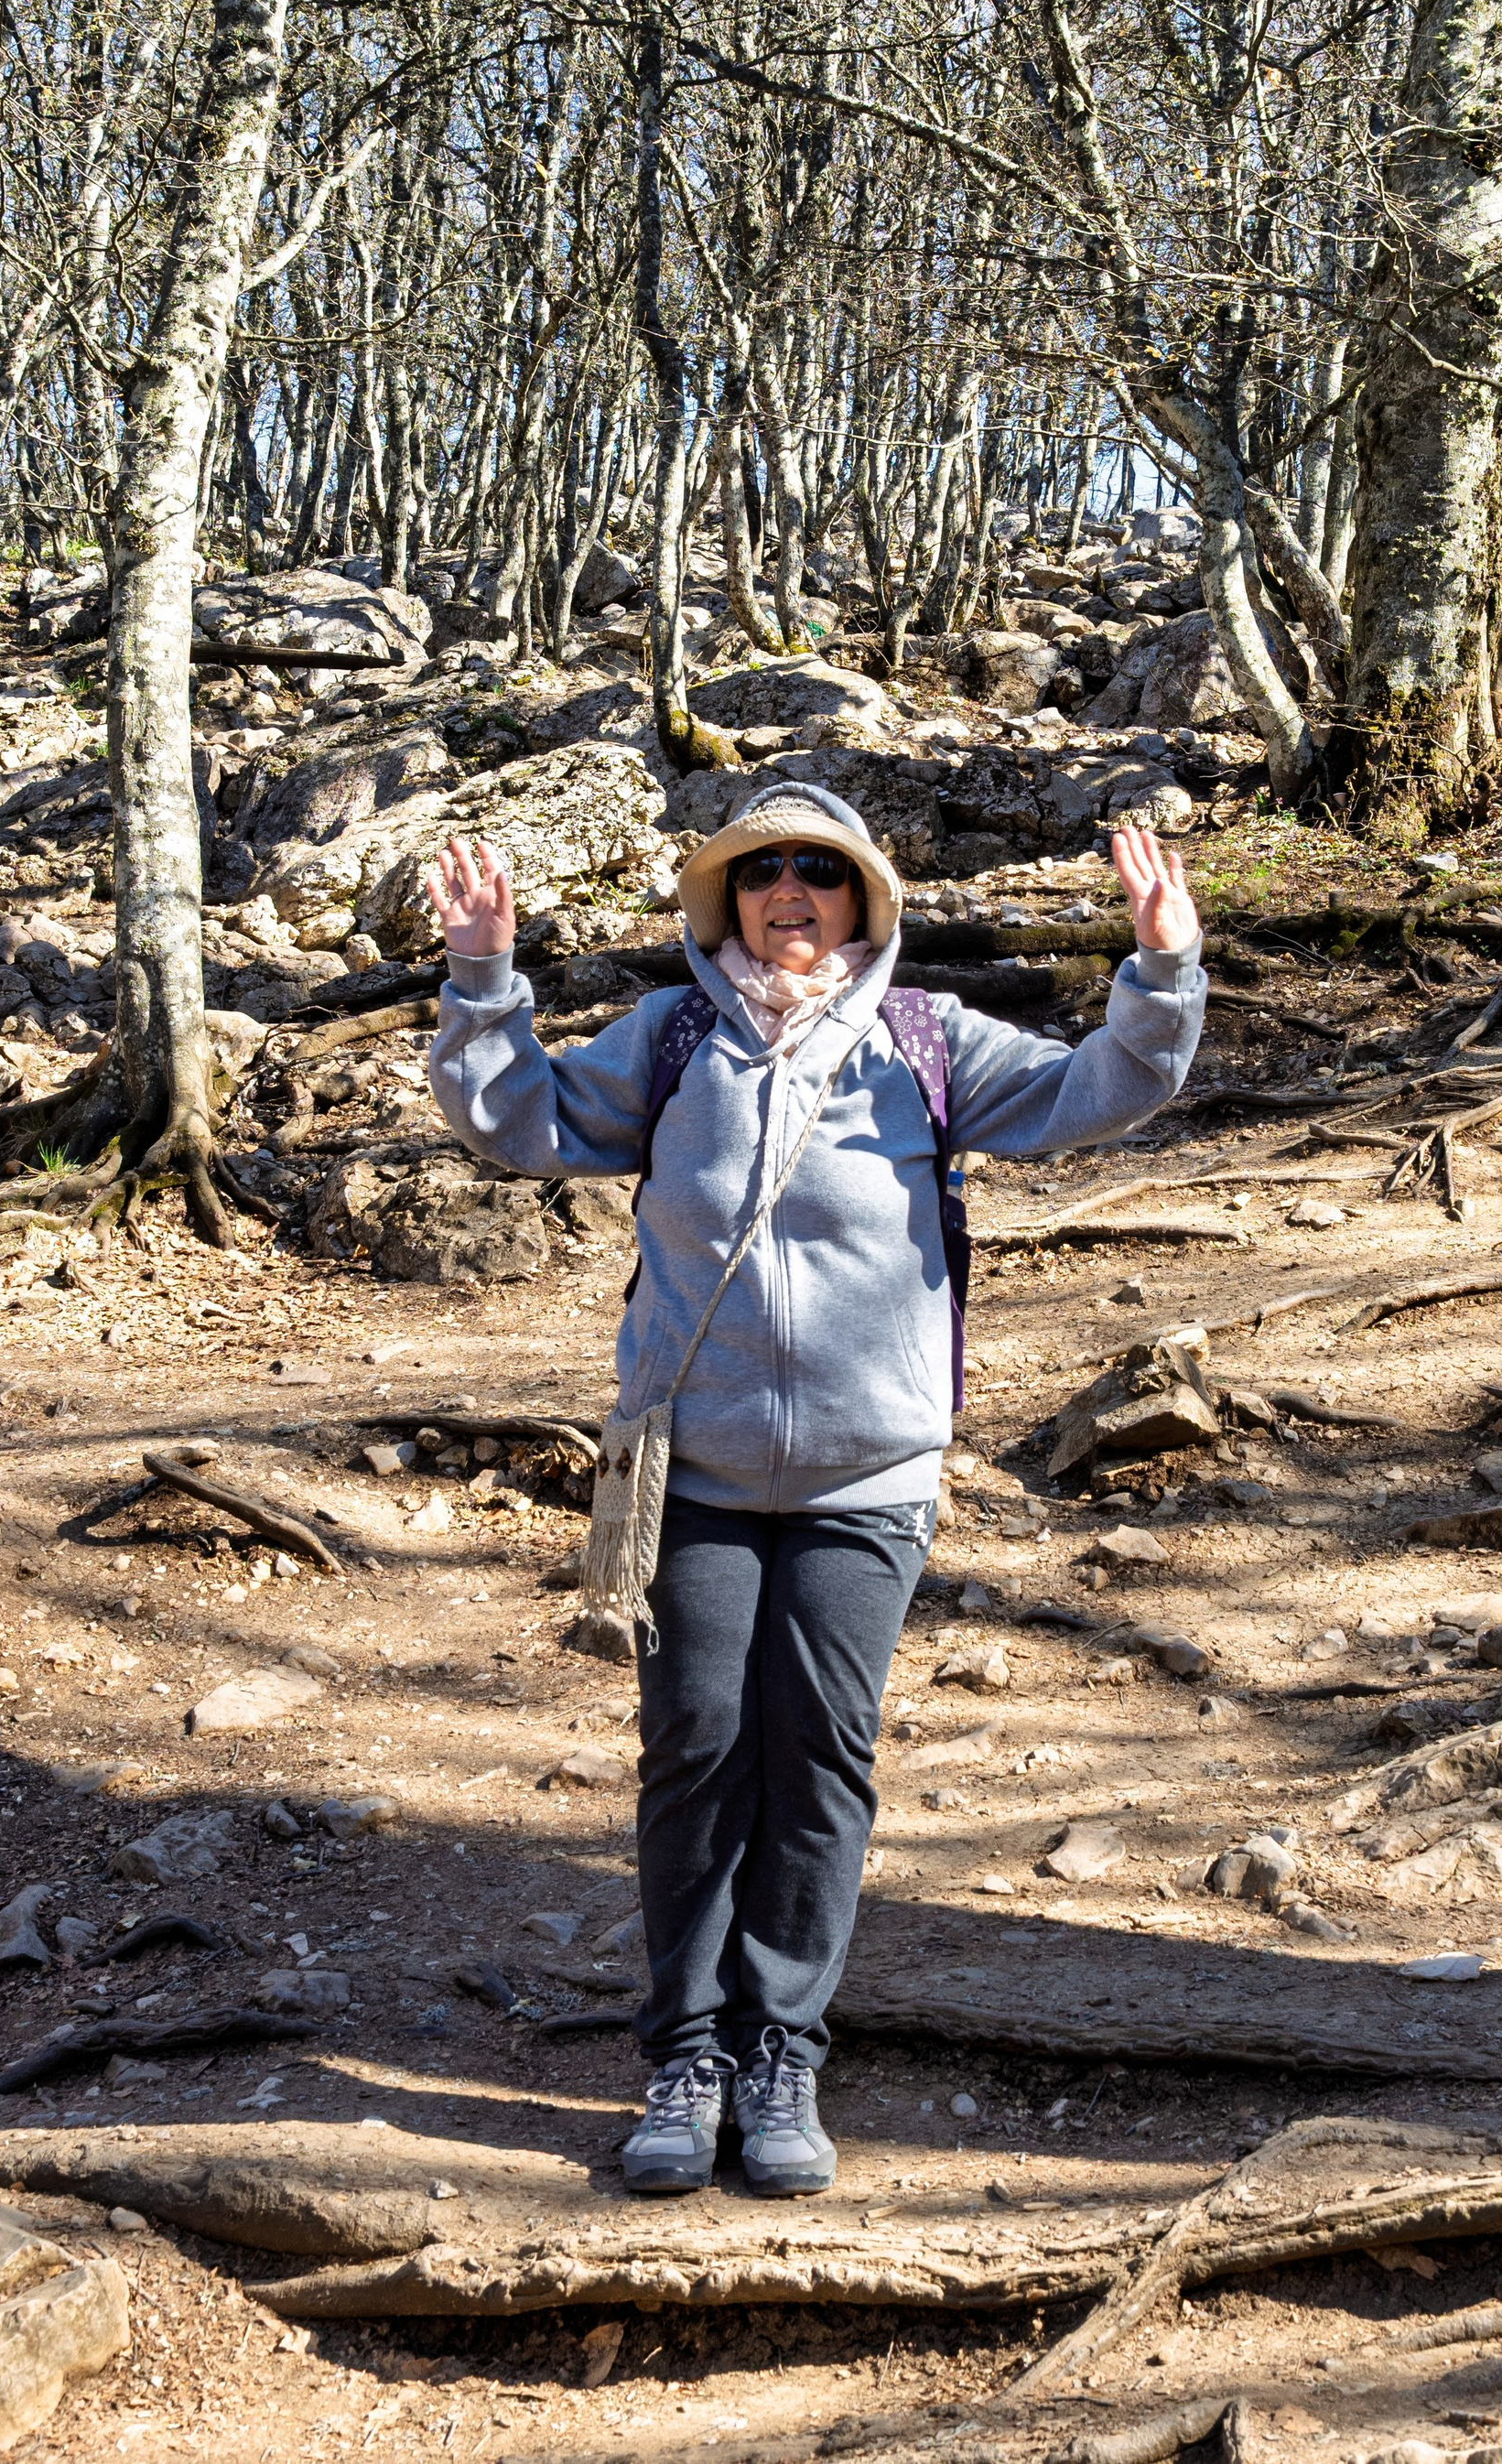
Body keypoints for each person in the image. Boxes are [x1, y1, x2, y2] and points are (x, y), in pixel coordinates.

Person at [424, 787, 1204, 2202]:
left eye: (822, 873)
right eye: (764, 871)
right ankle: (686, 2058)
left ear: (863, 900)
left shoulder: (926, 1043)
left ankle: (782, 2051)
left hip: (869, 1478)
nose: (792, 892)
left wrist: (1158, 970)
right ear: (727, 900)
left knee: (821, 1765)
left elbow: (1107, 1085)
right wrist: (485, 978)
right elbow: (516, 1117)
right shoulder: (667, 1040)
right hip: (697, 1474)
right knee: (699, 1753)